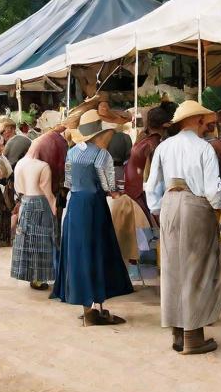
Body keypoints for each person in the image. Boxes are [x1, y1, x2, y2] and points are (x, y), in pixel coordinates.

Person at [145, 101, 221, 355]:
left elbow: (152, 184)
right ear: (197, 120)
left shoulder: (164, 147)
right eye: (204, 119)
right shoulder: (204, 148)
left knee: (172, 269)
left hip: (170, 204)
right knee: (198, 269)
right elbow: (213, 190)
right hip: (196, 205)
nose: (207, 124)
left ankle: (177, 334)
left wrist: (159, 208)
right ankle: (193, 336)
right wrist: (216, 211)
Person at [51, 110, 134, 326]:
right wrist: (115, 193)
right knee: (97, 251)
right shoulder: (101, 154)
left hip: (76, 202)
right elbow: (108, 186)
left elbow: (68, 181)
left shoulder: (72, 152)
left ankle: (87, 307)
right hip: (94, 204)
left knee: (79, 252)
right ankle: (94, 309)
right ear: (101, 134)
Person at [10, 141, 59, 290]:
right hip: (40, 202)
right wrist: (55, 209)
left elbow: (17, 187)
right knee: (42, 241)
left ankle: (32, 277)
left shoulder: (20, 163)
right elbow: (47, 190)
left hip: (25, 201)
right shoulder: (42, 166)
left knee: (28, 240)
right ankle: (39, 278)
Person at [123, 103, 175, 222]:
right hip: (140, 194)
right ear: (166, 125)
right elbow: (152, 176)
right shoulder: (154, 144)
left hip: (131, 189)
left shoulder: (142, 138)